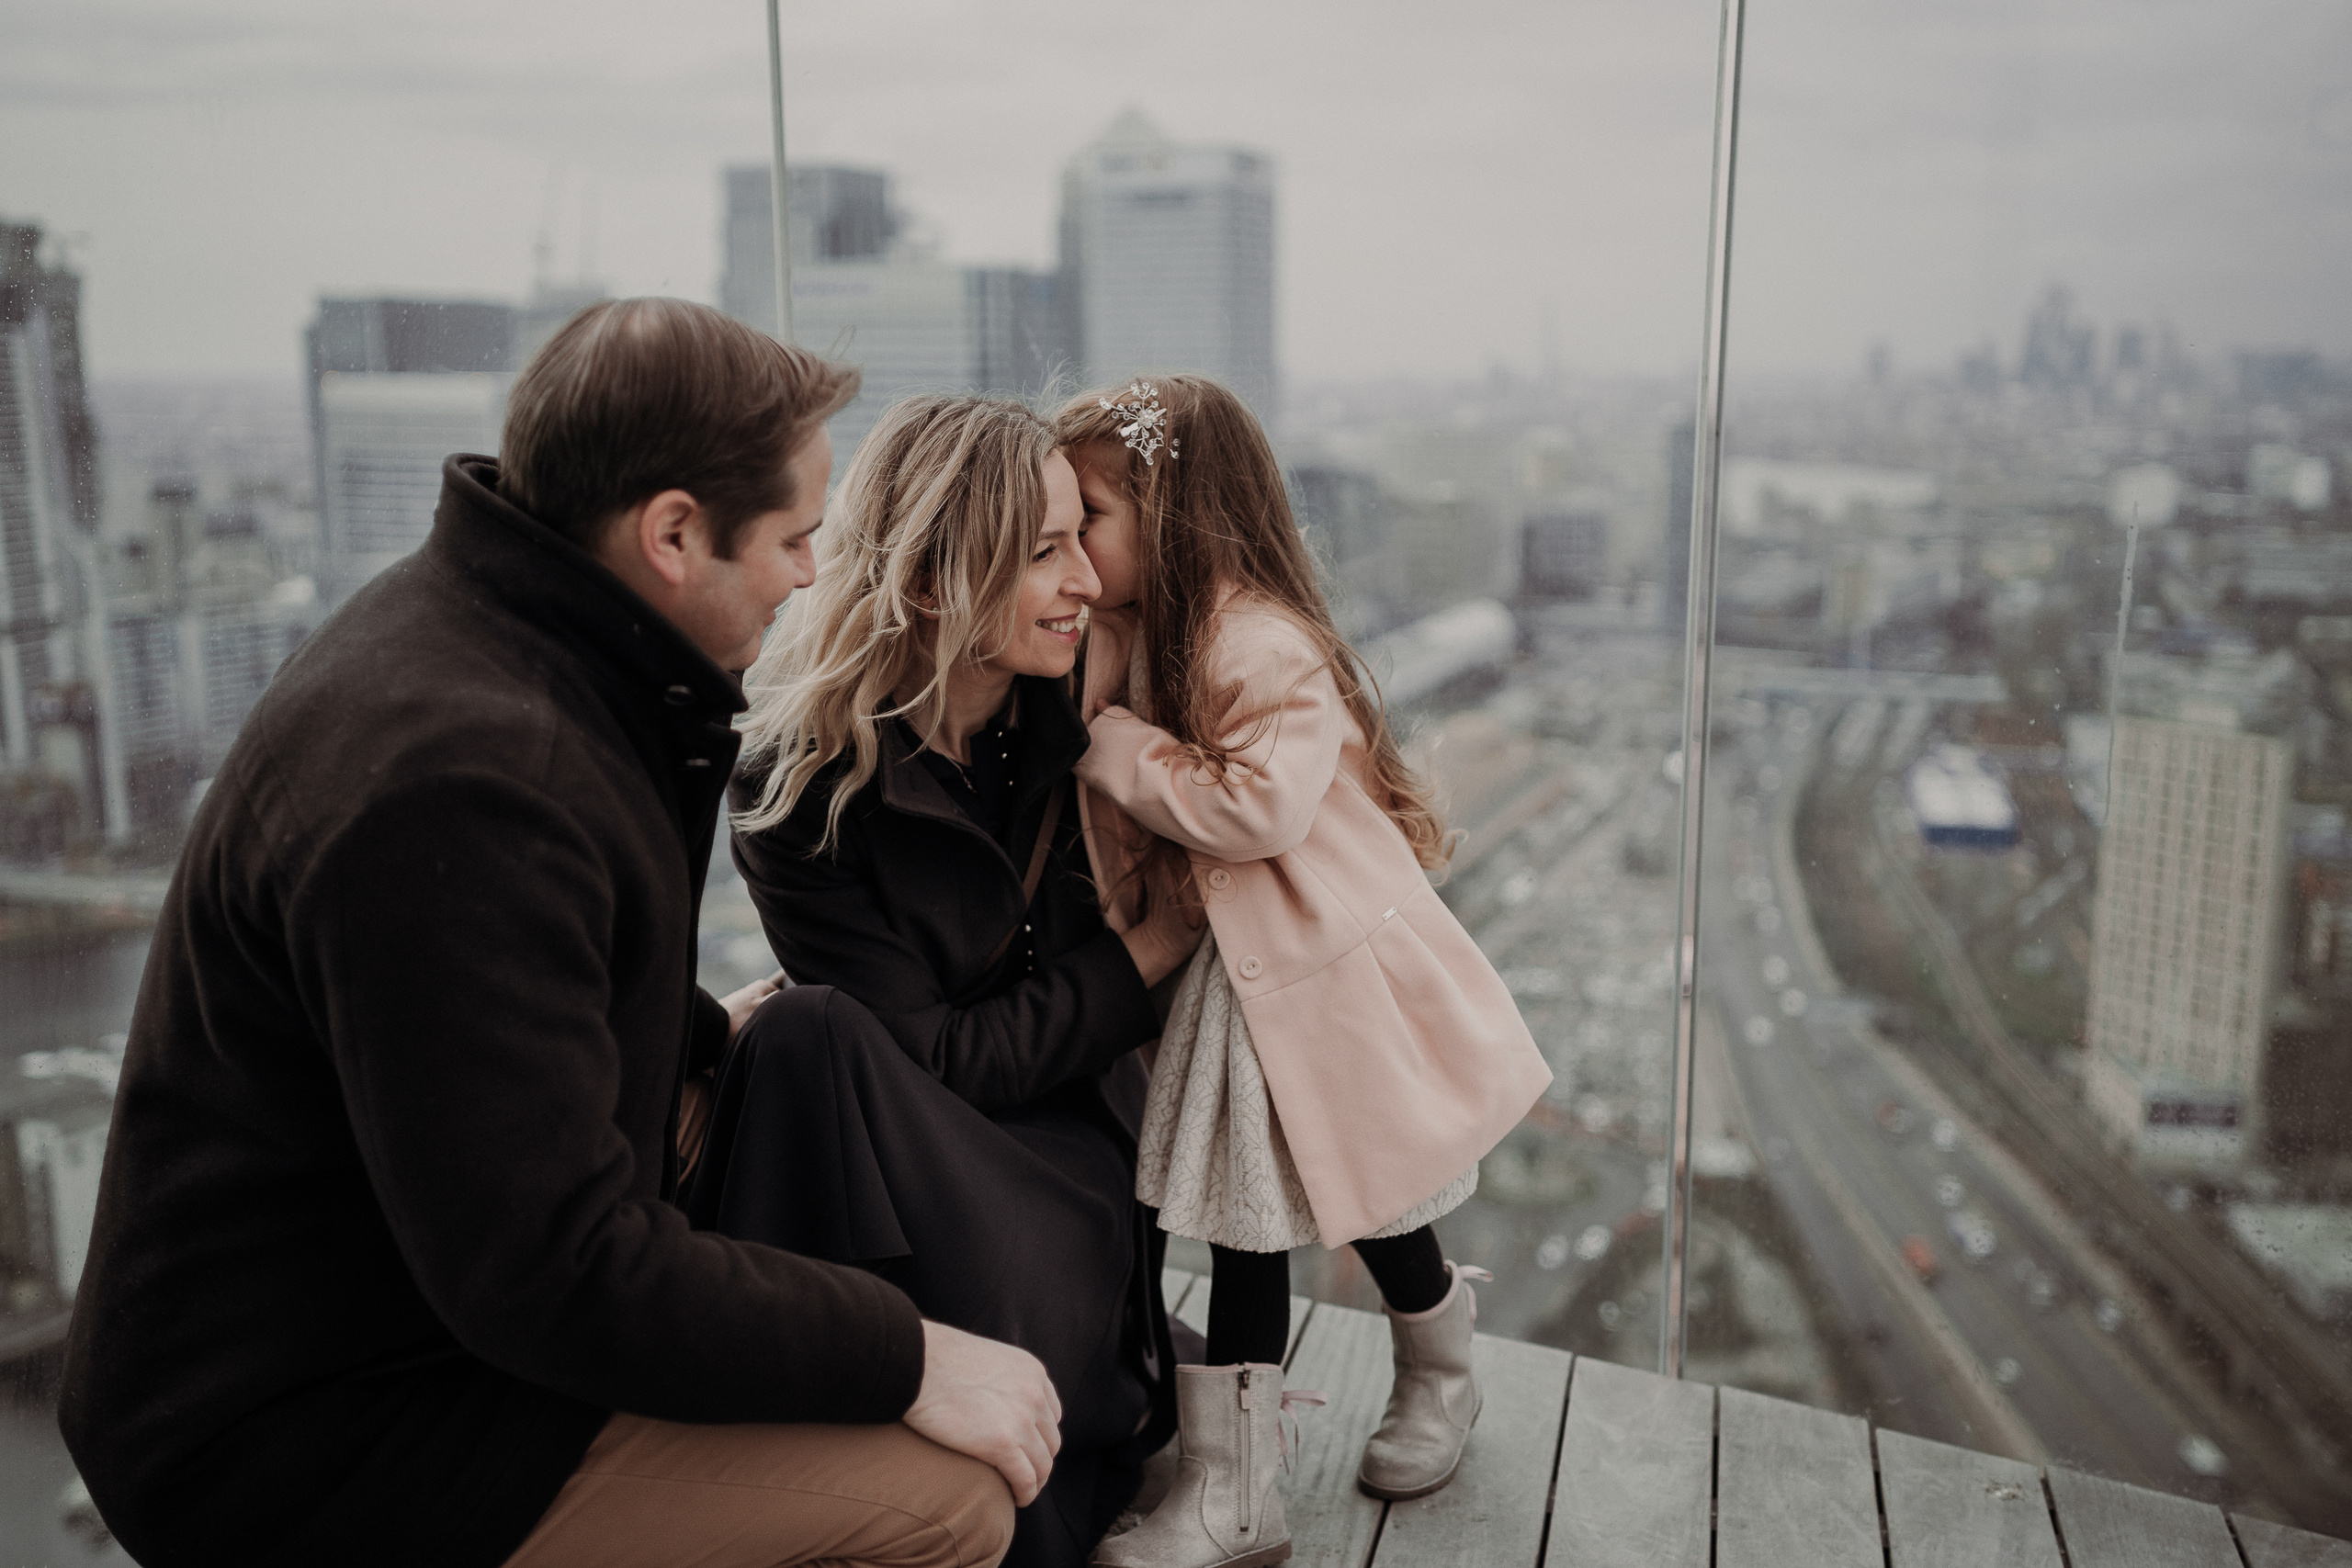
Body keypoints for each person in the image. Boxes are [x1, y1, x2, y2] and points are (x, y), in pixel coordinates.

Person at [58, 299, 1054, 1568]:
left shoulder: (494, 637)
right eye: (797, 537)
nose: (814, 571)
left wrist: (695, 1035)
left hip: (371, 1291)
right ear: (674, 533)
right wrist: (911, 1355)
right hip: (309, 1435)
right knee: (950, 1502)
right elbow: (553, 1268)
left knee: (778, 1054)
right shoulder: (473, 780)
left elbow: (478, 1029)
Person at [1053, 377, 1555, 1568]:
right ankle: (1392, 1392)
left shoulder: (1254, 641)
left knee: (1285, 1216)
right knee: (1306, 1207)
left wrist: (1115, 739)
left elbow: (1258, 811)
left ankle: (1259, 1479)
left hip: (1306, 975)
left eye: (1091, 517)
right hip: (1242, 971)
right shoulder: (1145, 635)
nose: (1074, 550)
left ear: (1170, 515)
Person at [717, 395, 1205, 1568]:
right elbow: (929, 1064)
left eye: (1078, 536)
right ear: (934, 584)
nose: (1086, 579)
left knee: (812, 1042)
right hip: (925, 1144)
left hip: (1073, 1147)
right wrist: (1143, 953)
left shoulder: (1101, 710)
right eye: (1043, 552)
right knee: (804, 1041)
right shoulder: (800, 785)